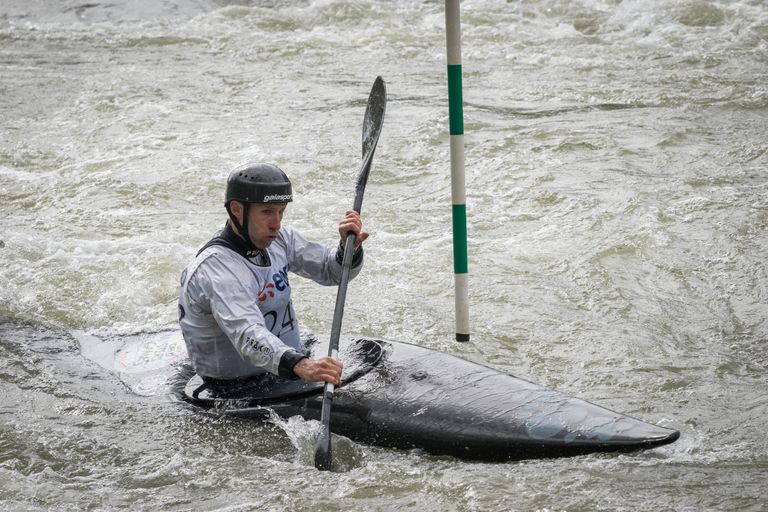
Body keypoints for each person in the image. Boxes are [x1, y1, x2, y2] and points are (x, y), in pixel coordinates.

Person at [178, 162, 368, 390]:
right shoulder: (217, 270)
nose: (277, 224)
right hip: (237, 387)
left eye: (281, 211)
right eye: (267, 212)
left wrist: (349, 249)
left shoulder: (280, 240)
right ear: (237, 209)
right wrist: (301, 365)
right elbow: (247, 335)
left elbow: (331, 272)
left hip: (287, 367)